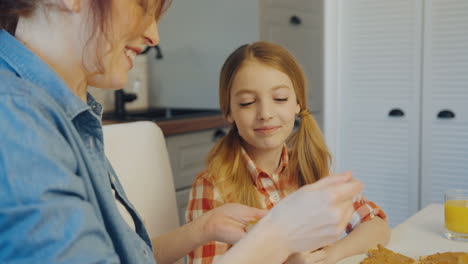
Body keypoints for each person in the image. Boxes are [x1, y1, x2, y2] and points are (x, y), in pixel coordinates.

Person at [0, 1, 363, 263]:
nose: (154, 34)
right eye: (144, 6)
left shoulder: (56, 112)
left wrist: (201, 229)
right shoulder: (15, 120)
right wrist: (279, 236)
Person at [186, 42, 391, 264]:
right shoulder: (211, 186)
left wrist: (330, 254)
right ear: (229, 112)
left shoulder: (312, 168)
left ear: (297, 103)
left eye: (280, 98)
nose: (265, 113)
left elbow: (376, 224)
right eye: (247, 103)